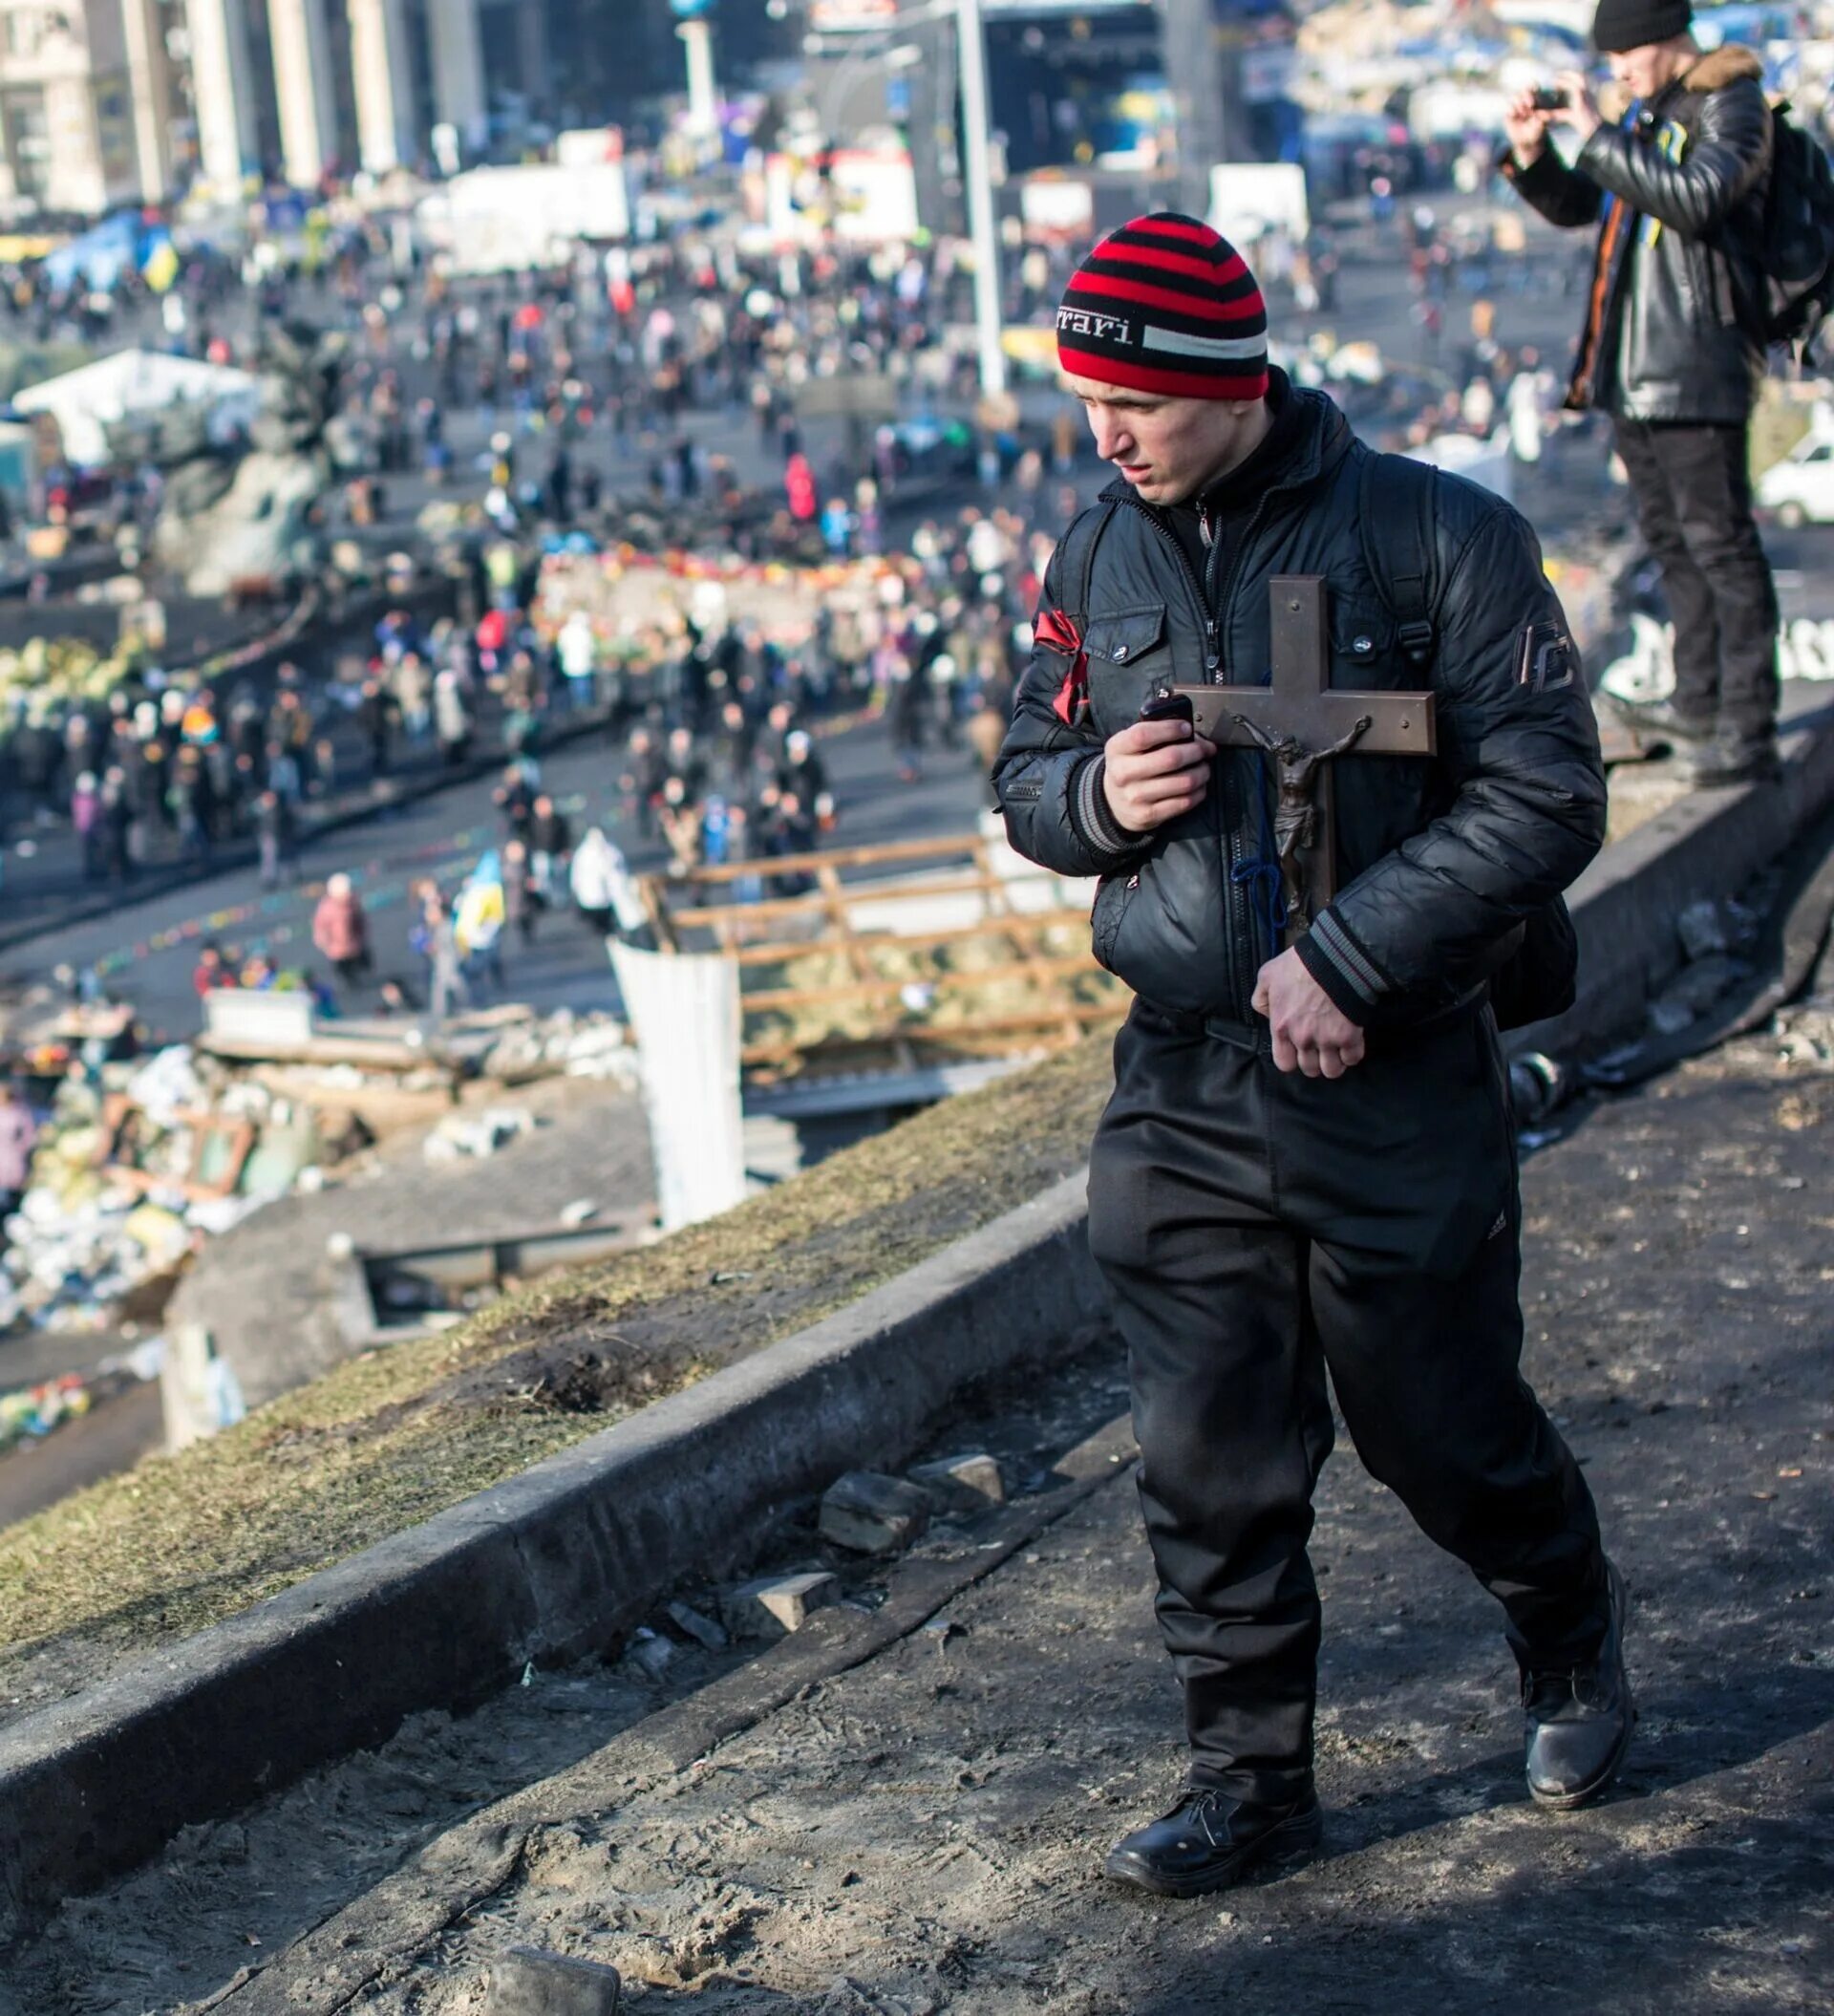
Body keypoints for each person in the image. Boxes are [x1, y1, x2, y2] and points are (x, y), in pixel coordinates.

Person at [994, 214, 1626, 1898]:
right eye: (1082, 402)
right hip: (1184, 1076)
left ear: (1226, 379)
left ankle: (1567, 1630)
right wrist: (1084, 801)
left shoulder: (1438, 535)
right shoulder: (1092, 553)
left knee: (1442, 1428)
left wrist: (1351, 955)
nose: (1102, 436)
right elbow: (1023, 764)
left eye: (1130, 400)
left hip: (1395, 1067)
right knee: (1205, 1451)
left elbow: (1550, 787)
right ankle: (1251, 1782)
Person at [1501, 1, 1777, 784]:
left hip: (1698, 365)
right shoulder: (1646, 117)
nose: (1616, 71)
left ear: (1666, 39)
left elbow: (1697, 198)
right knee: (1670, 544)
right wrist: (1532, 157)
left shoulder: (1731, 103)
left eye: (1626, 56)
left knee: (1720, 545)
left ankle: (1748, 728)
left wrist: (1595, 134)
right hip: (1633, 371)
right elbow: (1585, 206)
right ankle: (1699, 703)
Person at [311, 872, 372, 994]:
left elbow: (360, 920)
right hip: (336, 945)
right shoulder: (328, 908)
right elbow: (321, 926)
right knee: (344, 967)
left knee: (360, 961)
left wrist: (363, 933)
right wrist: (323, 940)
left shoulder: (353, 904)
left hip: (353, 941)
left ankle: (358, 972)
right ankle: (350, 980)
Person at [0, 1079, 37, 1226]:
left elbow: (29, 1136)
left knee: (9, 1202)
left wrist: (20, 1149)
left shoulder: (18, 1112)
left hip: (12, 1161)